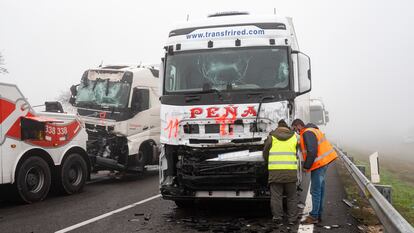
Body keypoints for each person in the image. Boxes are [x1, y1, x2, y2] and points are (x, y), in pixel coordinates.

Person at [291, 119, 338, 224]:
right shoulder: (312, 130)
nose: (296, 131)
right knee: (320, 189)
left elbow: (312, 151)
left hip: (319, 164)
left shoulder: (307, 132)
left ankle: (314, 216)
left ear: (298, 125)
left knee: (315, 190)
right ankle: (318, 214)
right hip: (323, 163)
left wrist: (306, 166)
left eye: (295, 128)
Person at [263, 119, 299, 225]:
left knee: (276, 196)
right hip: (290, 172)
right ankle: (292, 219)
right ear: (287, 127)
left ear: (278, 127)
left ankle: (277, 218)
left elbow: (265, 152)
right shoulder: (294, 137)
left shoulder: (271, 137)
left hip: (275, 172)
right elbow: (296, 152)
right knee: (292, 196)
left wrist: (268, 161)